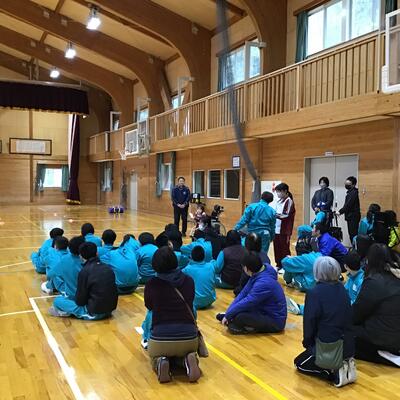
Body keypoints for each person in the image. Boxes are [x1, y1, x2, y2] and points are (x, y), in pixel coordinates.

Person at [294, 257, 356, 388]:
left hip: (329, 345)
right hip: (348, 343)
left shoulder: (314, 293)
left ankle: (332, 372)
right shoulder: (342, 288)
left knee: (299, 363)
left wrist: (308, 343)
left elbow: (310, 322)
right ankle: (343, 363)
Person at [144, 247, 201, 383]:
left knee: (155, 354)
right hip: (189, 337)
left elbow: (149, 306)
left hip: (160, 337)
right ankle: (186, 360)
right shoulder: (189, 280)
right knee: (192, 310)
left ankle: (160, 362)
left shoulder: (152, 284)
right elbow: (190, 302)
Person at [352, 243, 400, 366]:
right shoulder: (395, 276)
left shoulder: (375, 282)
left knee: (340, 330)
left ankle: (384, 354)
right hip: (394, 333)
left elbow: (356, 315)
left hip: (384, 338)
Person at [217, 251, 286, 335]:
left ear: (246, 268)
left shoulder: (264, 283)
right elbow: (243, 294)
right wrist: (229, 313)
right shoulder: (262, 270)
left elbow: (248, 301)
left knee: (240, 317)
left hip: (275, 321)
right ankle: (231, 318)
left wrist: (229, 315)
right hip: (263, 311)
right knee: (237, 311)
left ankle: (240, 324)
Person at [50, 242, 118, 320]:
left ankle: (70, 312)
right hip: (110, 309)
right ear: (96, 253)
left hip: (94, 312)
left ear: (81, 256)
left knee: (58, 301)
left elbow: (80, 301)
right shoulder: (107, 267)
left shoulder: (84, 271)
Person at [274, 183, 296, 269]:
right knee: (277, 248)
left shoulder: (289, 201)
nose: (277, 193)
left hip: (285, 230)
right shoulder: (279, 201)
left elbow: (286, 215)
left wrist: (275, 215)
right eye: (277, 192)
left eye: (279, 191)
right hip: (276, 229)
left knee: (284, 249)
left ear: (285, 191)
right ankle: (278, 265)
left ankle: (286, 267)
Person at [338, 176, 361, 243]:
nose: (346, 185)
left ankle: (355, 248)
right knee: (351, 234)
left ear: (353, 185)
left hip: (353, 217)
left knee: (353, 234)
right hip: (350, 216)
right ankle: (354, 247)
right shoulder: (351, 192)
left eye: (348, 184)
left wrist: (340, 212)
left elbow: (348, 205)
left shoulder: (353, 193)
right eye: (346, 183)